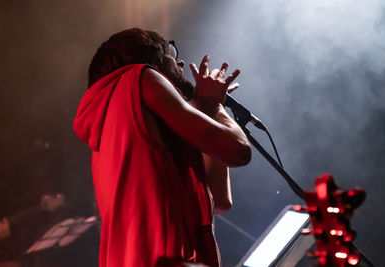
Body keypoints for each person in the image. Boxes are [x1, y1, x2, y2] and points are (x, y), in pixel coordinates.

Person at [73, 28, 251, 267]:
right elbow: (238, 150)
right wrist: (216, 109)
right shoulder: (141, 77)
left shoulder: (114, 119)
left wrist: (208, 109)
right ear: (151, 60)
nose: (180, 61)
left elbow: (218, 200)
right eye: (171, 52)